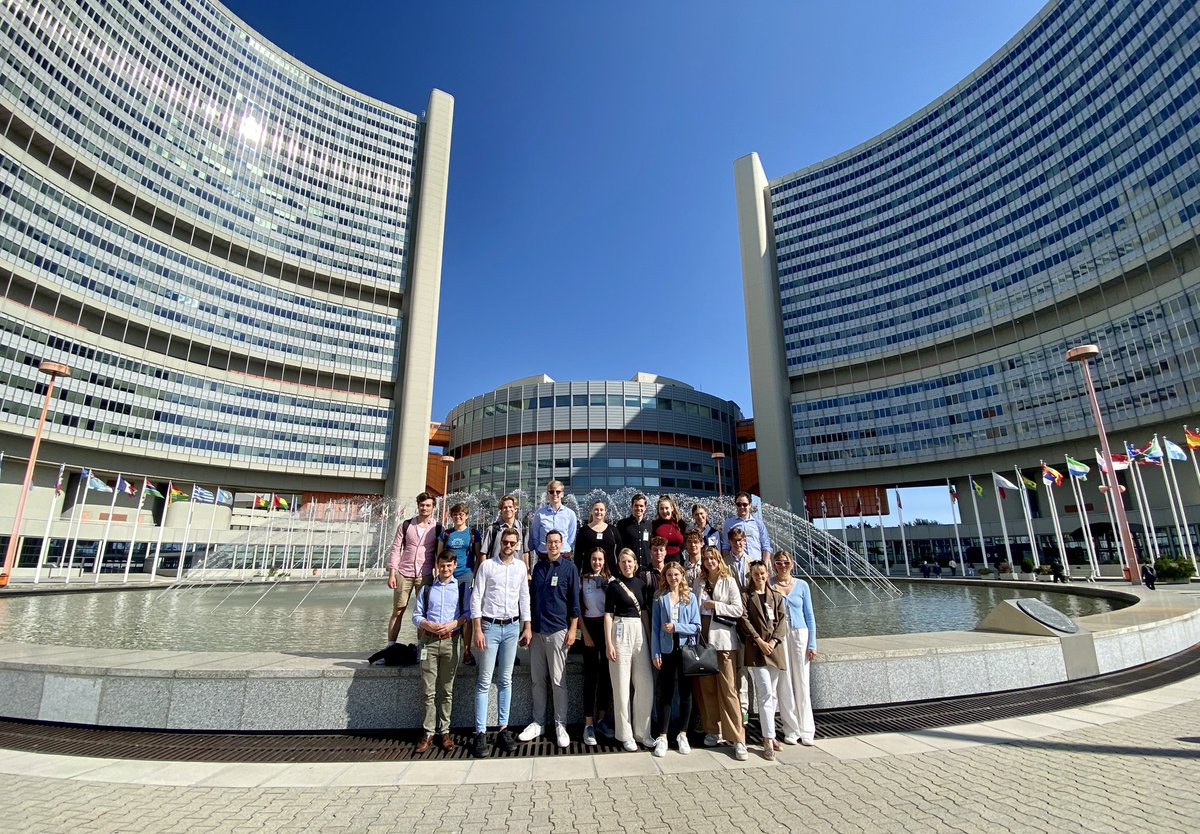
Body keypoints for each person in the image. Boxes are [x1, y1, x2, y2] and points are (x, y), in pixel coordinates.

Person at [470, 528, 531, 757]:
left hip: (512, 627)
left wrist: (527, 625)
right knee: (484, 681)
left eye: (512, 543)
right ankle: (480, 732)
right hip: (489, 626)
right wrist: (477, 628)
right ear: (500, 543)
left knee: (506, 679)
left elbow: (524, 596)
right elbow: (476, 597)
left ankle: (503, 728)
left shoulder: (520, 567)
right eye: (505, 542)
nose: (508, 546)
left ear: (517, 545)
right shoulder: (487, 566)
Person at [518, 530, 580, 747]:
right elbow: (532, 600)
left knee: (557, 681)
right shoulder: (539, 567)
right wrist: (527, 628)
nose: (553, 545)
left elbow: (575, 602)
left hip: (558, 632)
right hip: (537, 632)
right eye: (550, 542)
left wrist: (573, 630)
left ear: (562, 545)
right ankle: (538, 722)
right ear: (545, 544)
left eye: (557, 542)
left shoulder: (569, 568)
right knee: (537, 680)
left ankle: (560, 724)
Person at [412, 551, 469, 752]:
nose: (445, 569)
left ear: (454, 566)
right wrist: (427, 624)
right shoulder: (427, 589)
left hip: (450, 642)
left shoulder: (461, 588)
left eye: (449, 565)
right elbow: (416, 615)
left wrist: (454, 624)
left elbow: (466, 614)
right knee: (428, 691)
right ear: (437, 566)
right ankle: (428, 732)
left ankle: (444, 731)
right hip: (428, 642)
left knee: (447, 690)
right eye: (442, 565)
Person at [694, 546, 746, 760]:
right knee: (707, 688)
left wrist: (715, 605)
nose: (709, 561)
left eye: (712, 558)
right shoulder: (699, 581)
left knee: (728, 689)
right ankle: (713, 730)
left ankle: (737, 737)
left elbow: (738, 609)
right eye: (706, 558)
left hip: (724, 641)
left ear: (718, 560)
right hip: (704, 638)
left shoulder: (729, 581)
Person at [738, 561, 790, 760]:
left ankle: (772, 734)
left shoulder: (776, 596)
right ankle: (767, 739)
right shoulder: (746, 597)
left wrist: (774, 641)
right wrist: (759, 641)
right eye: (755, 574)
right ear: (751, 576)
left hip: (774, 650)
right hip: (756, 650)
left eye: (762, 573)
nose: (759, 577)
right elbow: (744, 620)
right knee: (766, 692)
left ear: (767, 574)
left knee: (772, 694)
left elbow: (782, 620)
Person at [605, 547, 654, 752]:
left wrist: (651, 642)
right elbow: (608, 614)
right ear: (619, 564)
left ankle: (643, 732)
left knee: (645, 684)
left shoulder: (642, 585)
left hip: (639, 631)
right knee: (621, 685)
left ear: (635, 563)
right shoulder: (614, 586)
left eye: (630, 561)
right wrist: (609, 643)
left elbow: (644, 613)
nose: (627, 565)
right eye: (623, 562)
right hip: (620, 629)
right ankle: (625, 734)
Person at [650, 561, 700, 756]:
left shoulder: (691, 598)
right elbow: (655, 628)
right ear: (665, 577)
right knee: (667, 692)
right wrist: (655, 652)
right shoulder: (659, 598)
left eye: (676, 575)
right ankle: (662, 736)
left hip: (686, 649)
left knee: (686, 692)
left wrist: (677, 627)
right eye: (669, 575)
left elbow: (697, 627)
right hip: (667, 649)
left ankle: (682, 734)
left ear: (682, 576)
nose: (673, 578)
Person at [772, 550, 816, 746]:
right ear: (773, 565)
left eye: (786, 563)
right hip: (780, 635)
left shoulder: (802, 585)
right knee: (784, 681)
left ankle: (807, 729)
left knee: (802, 682)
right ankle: (790, 729)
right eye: (779, 563)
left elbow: (810, 616)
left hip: (800, 633)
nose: (783, 566)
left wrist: (812, 643)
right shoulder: (769, 584)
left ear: (792, 564)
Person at [386, 492, 441, 644]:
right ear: (418, 506)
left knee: (424, 613)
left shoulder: (437, 528)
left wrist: (439, 574)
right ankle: (390, 646)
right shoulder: (406, 525)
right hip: (404, 573)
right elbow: (396, 549)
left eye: (428, 505)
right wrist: (392, 573)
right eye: (422, 505)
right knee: (398, 610)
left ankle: (420, 648)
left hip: (425, 574)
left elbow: (440, 552)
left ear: (433, 507)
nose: (424, 508)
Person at [579, 547, 613, 745]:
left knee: (606, 675)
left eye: (600, 559)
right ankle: (588, 723)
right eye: (594, 559)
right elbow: (578, 608)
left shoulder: (610, 580)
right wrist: (584, 632)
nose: (597, 563)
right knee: (591, 676)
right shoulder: (583, 580)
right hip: (589, 627)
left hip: (606, 627)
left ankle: (601, 718)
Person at [441, 503, 481, 665]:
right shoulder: (446, 534)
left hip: (466, 575)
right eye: (455, 514)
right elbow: (439, 555)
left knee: (467, 614)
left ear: (466, 516)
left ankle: (466, 650)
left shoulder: (472, 533)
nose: (458, 517)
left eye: (461, 514)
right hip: (448, 576)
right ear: (452, 516)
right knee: (449, 611)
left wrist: (476, 576)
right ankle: (448, 648)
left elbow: (478, 556)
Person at [527, 479, 578, 570]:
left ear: (562, 494)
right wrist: (541, 550)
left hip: (563, 556)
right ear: (548, 494)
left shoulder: (570, 514)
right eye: (551, 491)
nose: (555, 494)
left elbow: (571, 538)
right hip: (544, 556)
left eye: (558, 491)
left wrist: (563, 548)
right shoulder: (540, 514)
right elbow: (535, 536)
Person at [722, 491, 771, 562]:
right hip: (738, 564)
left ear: (750, 505)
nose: (742, 507)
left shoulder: (758, 523)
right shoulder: (729, 523)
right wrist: (728, 564)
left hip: (756, 563)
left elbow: (766, 546)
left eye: (745, 504)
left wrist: (765, 565)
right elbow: (726, 546)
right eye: (739, 504)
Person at [578, 499, 621, 574]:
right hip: (589, 574)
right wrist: (577, 573)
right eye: (596, 509)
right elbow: (578, 555)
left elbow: (619, 551)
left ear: (605, 512)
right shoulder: (584, 531)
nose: (599, 512)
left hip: (611, 573)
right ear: (591, 511)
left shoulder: (613, 530)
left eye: (601, 510)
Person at [480, 494, 524, 566]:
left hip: (516, 571)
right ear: (501, 510)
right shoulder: (493, 529)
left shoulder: (522, 529)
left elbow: (525, 552)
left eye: (510, 507)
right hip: (496, 569)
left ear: (515, 509)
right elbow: (484, 552)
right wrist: (484, 570)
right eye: (505, 507)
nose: (508, 509)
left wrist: (527, 571)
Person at [617, 493, 653, 570]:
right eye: (636, 505)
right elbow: (618, 547)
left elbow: (650, 546)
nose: (638, 508)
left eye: (641, 506)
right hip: (629, 568)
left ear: (645, 508)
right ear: (632, 506)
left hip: (646, 567)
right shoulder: (622, 524)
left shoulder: (649, 525)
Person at [651, 494, 686, 562]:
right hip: (661, 562)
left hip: (678, 561)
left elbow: (685, 542)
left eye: (666, 508)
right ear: (658, 510)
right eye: (661, 508)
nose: (664, 511)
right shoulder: (654, 525)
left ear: (672, 508)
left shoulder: (680, 524)